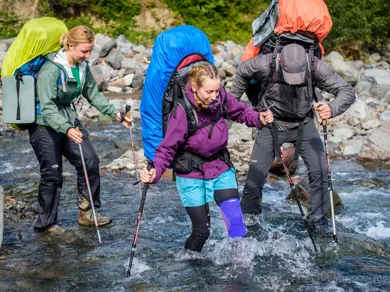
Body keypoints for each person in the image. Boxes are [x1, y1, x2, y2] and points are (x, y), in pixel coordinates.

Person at [140, 63, 273, 252]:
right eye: (209, 92)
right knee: (202, 231)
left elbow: (241, 112)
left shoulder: (221, 98)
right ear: (195, 88)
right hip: (190, 173)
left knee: (236, 224)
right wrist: (155, 172)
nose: (214, 96)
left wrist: (259, 118)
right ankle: (191, 265)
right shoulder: (182, 112)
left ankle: (240, 270)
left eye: (217, 91)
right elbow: (167, 148)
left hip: (220, 166)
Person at [230, 43, 356, 235]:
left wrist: (332, 108)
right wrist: (232, 107)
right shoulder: (264, 63)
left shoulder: (314, 66)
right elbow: (242, 73)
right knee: (254, 180)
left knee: (320, 172)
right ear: (279, 60)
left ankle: (318, 222)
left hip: (304, 125)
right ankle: (250, 224)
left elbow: (347, 91)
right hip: (271, 123)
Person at [28, 25, 132, 234]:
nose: (88, 55)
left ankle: (87, 212)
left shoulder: (83, 68)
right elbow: (47, 107)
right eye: (84, 51)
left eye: (90, 50)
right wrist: (67, 129)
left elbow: (94, 94)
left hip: (68, 121)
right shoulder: (51, 69)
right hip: (43, 123)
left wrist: (116, 114)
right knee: (52, 173)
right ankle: (46, 223)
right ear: (70, 45)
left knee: (90, 160)